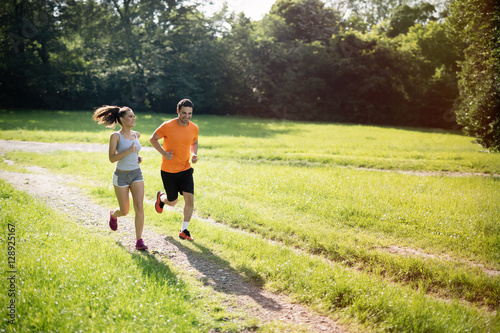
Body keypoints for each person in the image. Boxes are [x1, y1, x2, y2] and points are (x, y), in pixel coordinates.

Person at [92, 105, 148, 250]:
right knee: (125, 211)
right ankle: (114, 215)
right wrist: (129, 151)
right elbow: (112, 158)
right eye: (130, 116)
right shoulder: (115, 136)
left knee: (139, 207)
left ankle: (139, 240)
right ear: (122, 119)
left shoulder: (137, 134)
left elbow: (134, 153)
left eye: (134, 116)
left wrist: (136, 156)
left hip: (136, 173)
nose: (133, 118)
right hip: (121, 176)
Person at [150, 99, 199, 241]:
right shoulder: (167, 126)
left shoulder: (194, 128)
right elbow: (153, 139)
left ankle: (184, 230)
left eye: (190, 113)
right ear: (178, 111)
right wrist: (164, 153)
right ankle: (162, 198)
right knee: (173, 201)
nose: (187, 116)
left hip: (185, 169)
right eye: (184, 113)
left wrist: (194, 153)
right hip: (169, 171)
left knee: (189, 198)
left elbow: (194, 142)